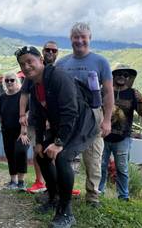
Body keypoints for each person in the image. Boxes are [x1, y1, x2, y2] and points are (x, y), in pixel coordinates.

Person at [16, 46, 97, 228]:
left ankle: (66, 211)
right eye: (23, 64)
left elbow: (70, 111)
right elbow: (37, 116)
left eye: (30, 61)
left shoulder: (58, 77)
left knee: (62, 157)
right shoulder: (35, 84)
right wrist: (39, 142)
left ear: (41, 61)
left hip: (82, 123)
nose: (27, 66)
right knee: (41, 154)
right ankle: (53, 198)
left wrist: (59, 143)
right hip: (62, 124)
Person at [55, 22, 114, 207]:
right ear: (70, 39)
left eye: (83, 37)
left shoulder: (100, 62)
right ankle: (63, 192)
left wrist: (106, 120)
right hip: (69, 116)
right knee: (64, 155)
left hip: (93, 115)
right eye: (76, 37)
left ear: (90, 38)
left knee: (93, 157)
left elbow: (108, 92)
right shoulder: (62, 63)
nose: (79, 40)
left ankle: (93, 196)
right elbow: (55, 93)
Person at [98, 64, 142, 201]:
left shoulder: (133, 93)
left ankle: (123, 196)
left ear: (128, 78)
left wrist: (140, 100)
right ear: (113, 76)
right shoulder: (105, 91)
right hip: (103, 136)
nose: (121, 77)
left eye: (125, 75)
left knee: (122, 168)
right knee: (101, 166)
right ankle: (98, 191)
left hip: (123, 138)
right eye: (118, 74)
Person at [20, 41, 58, 194]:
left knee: (55, 152)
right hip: (36, 120)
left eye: (53, 50)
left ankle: (56, 183)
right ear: (42, 53)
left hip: (54, 122)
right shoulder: (31, 74)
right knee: (38, 150)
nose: (50, 52)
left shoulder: (57, 72)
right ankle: (39, 181)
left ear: (57, 53)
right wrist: (22, 114)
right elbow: (24, 94)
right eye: (47, 49)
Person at [0, 72, 30, 190]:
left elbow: (26, 114)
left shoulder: (23, 96)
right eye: (7, 80)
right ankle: (13, 181)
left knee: (21, 152)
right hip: (7, 131)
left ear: (17, 81)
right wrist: (2, 127)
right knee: (10, 154)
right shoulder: (2, 97)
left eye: (12, 80)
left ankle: (21, 182)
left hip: (21, 131)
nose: (9, 82)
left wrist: (24, 132)